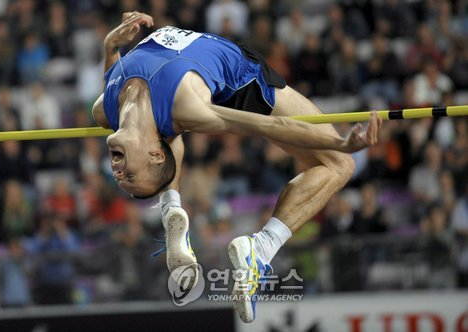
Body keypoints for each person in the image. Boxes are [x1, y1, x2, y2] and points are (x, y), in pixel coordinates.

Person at [92, 12, 382, 323]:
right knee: (341, 165)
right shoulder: (187, 109)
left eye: (123, 177)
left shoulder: (105, 109)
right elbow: (273, 126)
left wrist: (110, 47)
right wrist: (341, 145)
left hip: (189, 89)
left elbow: (113, 77)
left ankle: (171, 209)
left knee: (163, 124)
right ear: (154, 156)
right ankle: (261, 247)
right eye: (130, 176)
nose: (118, 174)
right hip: (244, 82)